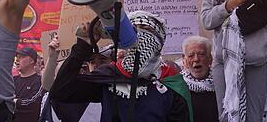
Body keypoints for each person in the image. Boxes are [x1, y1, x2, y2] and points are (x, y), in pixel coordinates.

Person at [49, 12, 191, 122]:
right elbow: (61, 91)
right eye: (134, 30)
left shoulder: (172, 85)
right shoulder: (109, 76)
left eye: (145, 30)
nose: (140, 42)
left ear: (158, 43)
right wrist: (83, 46)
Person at [181, 36, 218, 122]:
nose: (196, 59)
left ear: (210, 59)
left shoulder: (222, 85)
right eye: (191, 55)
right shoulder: (177, 88)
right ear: (184, 60)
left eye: (201, 54)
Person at [14, 47, 44, 122]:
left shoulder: (40, 81)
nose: (17, 60)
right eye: (17, 57)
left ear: (31, 60)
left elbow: (34, 101)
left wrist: (15, 101)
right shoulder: (12, 80)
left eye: (21, 57)